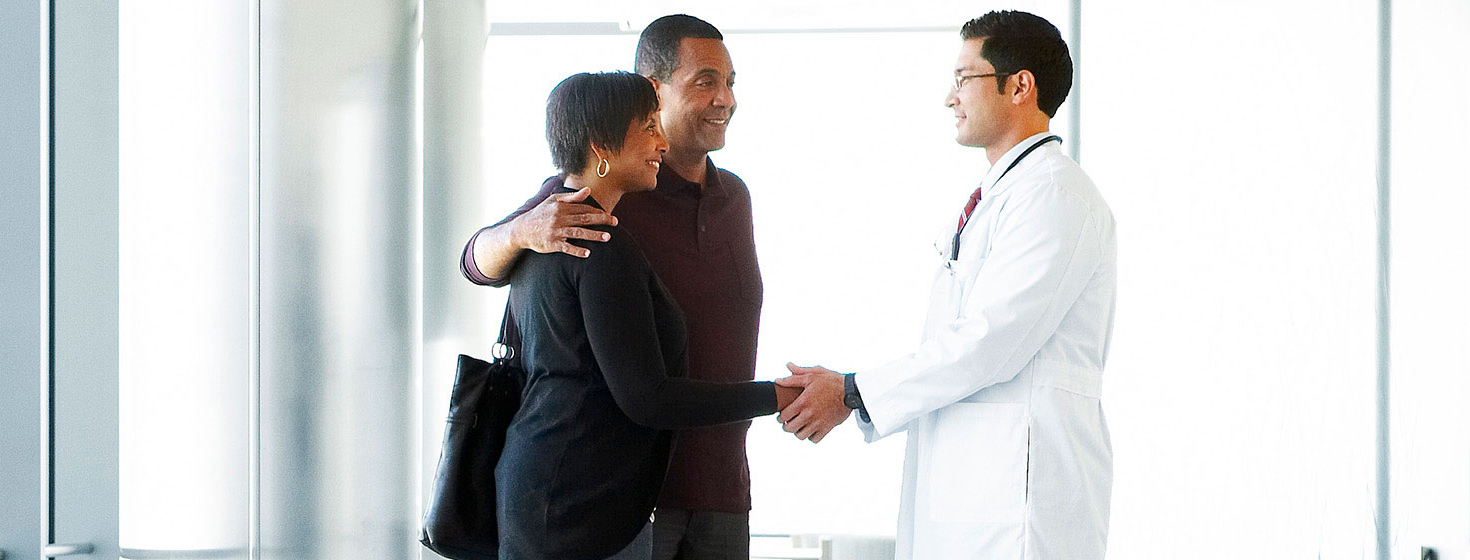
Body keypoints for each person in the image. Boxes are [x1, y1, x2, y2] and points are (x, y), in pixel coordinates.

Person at [779, 10, 1116, 560]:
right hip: (976, 481)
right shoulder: (1004, 193)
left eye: (964, 78)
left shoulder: (1056, 195)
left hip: (1019, 498)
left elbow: (990, 340)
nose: (950, 96)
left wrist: (852, 389)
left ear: (1020, 86)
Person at [460, 15, 777, 559]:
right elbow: (474, 262)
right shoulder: (597, 198)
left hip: (722, 485)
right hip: (625, 491)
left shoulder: (736, 198)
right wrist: (520, 230)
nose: (724, 98)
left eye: (730, 82)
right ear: (653, 92)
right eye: (705, 81)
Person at [495, 71, 840, 560]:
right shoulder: (597, 247)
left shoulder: (543, 234)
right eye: (648, 127)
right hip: (577, 505)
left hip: (549, 489)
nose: (662, 141)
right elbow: (649, 398)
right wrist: (777, 395)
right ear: (601, 148)